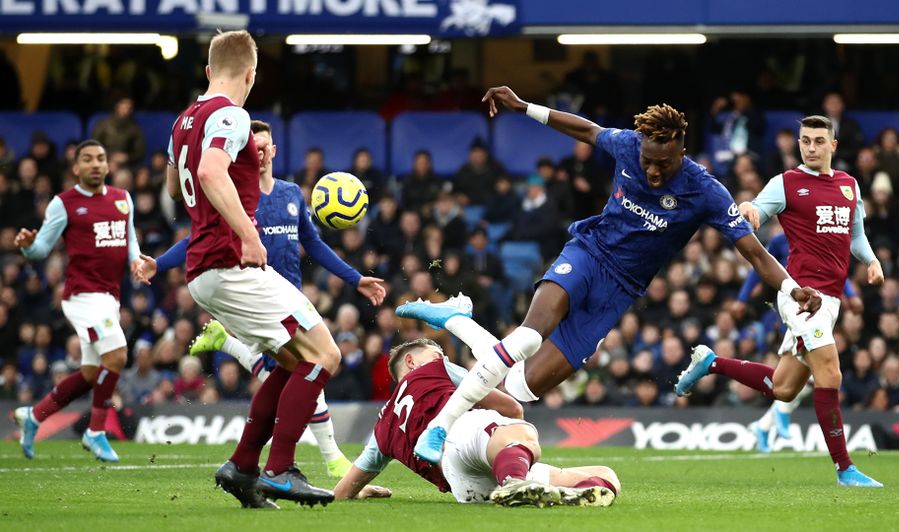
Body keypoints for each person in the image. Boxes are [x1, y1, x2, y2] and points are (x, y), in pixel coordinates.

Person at [396, 85, 821, 465]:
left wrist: (791, 287)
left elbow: (754, 252)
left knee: (518, 389)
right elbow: (585, 130)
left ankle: (457, 320)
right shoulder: (627, 145)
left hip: (619, 290)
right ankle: (440, 427)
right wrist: (524, 106)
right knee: (529, 335)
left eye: (664, 165)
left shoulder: (705, 191)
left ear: (681, 151)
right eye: (648, 161)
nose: (653, 171)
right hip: (588, 253)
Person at [137, 118, 385, 478]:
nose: (261, 151)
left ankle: (251, 462)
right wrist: (159, 264)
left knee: (296, 369)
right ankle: (313, 463)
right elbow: (197, 239)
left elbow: (313, 244)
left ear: (274, 150)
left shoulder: (290, 193)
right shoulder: (234, 193)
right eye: (253, 146)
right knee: (313, 365)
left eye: (265, 145)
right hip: (253, 297)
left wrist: (355, 278)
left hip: (288, 298)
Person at [163, 30, 343, 508]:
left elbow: (176, 185)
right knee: (324, 356)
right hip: (229, 262)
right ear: (251, 73)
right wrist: (246, 231)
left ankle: (243, 467)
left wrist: (209, 220)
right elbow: (209, 172)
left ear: (206, 71)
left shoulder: (184, 121)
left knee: (292, 360)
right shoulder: (232, 114)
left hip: (207, 267)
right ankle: (280, 469)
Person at [675, 115, 885, 488]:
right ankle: (845, 468)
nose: (811, 147)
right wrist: (750, 211)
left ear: (833, 146)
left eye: (819, 141)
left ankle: (712, 362)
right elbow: (756, 208)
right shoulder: (787, 183)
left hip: (831, 300)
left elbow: (855, 236)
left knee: (784, 388)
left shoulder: (849, 187)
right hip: (802, 297)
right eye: (806, 140)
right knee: (831, 374)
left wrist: (871, 261)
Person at [333, 335, 621, 507]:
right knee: (520, 430)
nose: (442, 355)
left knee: (604, 477)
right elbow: (511, 407)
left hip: (464, 487)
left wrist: (361, 491)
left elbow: (342, 493)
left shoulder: (382, 426)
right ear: (411, 362)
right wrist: (510, 438)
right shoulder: (436, 367)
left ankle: (534, 489)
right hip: (466, 438)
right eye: (437, 352)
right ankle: (514, 481)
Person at [13, 140, 142, 463]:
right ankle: (95, 432)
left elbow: (131, 242)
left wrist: (138, 262)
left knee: (89, 373)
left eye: (101, 158)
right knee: (116, 356)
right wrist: (28, 246)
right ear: (76, 168)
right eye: (88, 160)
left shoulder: (122, 200)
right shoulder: (64, 203)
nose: (95, 164)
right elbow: (41, 248)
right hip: (82, 297)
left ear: (108, 165)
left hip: (109, 297)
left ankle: (35, 415)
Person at [732, 227, 863, 453]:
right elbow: (759, 266)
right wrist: (743, 299)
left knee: (800, 376)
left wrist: (851, 295)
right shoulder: (780, 241)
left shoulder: (820, 237)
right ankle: (778, 414)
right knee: (819, 369)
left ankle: (765, 424)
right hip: (796, 306)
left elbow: (836, 269)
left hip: (820, 305)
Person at [92, 96, 146, 167]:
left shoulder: (134, 128)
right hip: (103, 162)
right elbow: (94, 146)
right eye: (124, 106)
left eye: (129, 107)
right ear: (117, 106)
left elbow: (140, 152)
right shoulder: (103, 124)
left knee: (123, 176)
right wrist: (109, 157)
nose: (126, 110)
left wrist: (127, 158)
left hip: (126, 165)